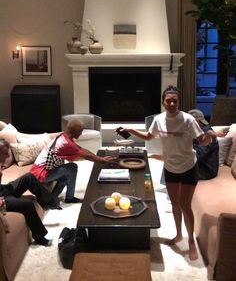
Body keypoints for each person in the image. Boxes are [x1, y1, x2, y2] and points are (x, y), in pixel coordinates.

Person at [119, 85, 222, 260]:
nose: (172, 103)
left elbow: (203, 142)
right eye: (169, 100)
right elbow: (148, 137)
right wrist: (130, 130)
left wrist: (211, 134)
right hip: (170, 167)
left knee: (185, 205)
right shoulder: (159, 120)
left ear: (178, 101)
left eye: (175, 100)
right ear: (163, 102)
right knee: (175, 205)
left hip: (189, 167)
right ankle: (178, 235)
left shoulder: (188, 119)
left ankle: (190, 241)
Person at [30, 118, 114, 205]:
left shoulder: (63, 136)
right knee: (72, 167)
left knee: (66, 175)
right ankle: (70, 198)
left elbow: (81, 149)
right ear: (73, 131)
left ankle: (51, 199)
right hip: (40, 174)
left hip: (39, 171)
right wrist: (102, 160)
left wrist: (98, 157)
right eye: (80, 131)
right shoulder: (66, 143)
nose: (81, 134)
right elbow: (87, 156)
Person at [0, 139, 54, 246]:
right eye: (5, 154)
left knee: (29, 177)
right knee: (27, 205)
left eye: (8, 153)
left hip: (3, 189)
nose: (7, 156)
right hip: (2, 198)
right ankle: (39, 237)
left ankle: (49, 203)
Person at [188, 109, 227, 180]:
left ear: (197, 121)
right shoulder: (200, 131)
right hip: (201, 166)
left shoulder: (206, 133)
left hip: (207, 170)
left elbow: (198, 156)